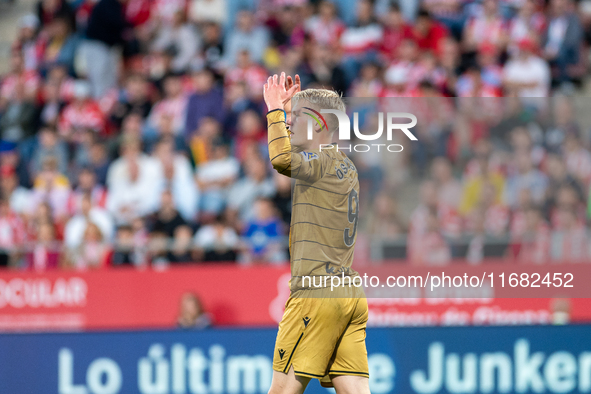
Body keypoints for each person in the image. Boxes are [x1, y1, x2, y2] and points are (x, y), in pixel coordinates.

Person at [263, 73, 369, 392]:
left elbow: (281, 159)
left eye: (296, 117)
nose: (290, 123)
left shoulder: (319, 163)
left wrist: (273, 110)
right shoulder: (345, 166)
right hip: (347, 293)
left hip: (315, 294)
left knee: (281, 390)